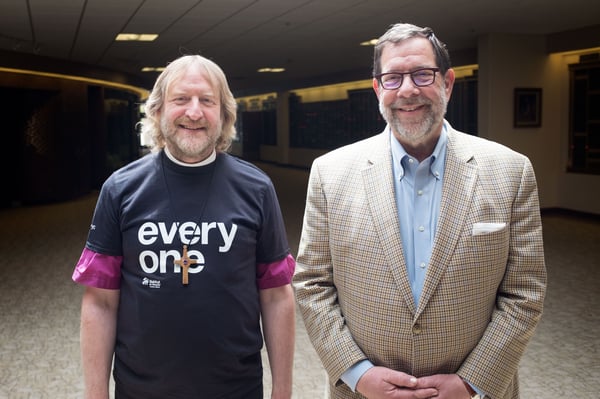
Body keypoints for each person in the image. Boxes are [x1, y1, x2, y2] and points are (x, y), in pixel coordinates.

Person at [293, 23, 546, 399]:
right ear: (378, 89)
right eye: (393, 77)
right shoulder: (330, 174)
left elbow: (525, 292)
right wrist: (357, 373)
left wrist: (471, 382)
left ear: (447, 83)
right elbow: (312, 283)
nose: (408, 89)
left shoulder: (510, 171)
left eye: (422, 74)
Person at [72, 54, 296, 399]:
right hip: (141, 390)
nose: (194, 112)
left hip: (236, 389)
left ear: (224, 115)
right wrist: (95, 395)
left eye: (207, 101)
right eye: (181, 99)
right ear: (158, 110)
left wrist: (283, 391)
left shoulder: (257, 188)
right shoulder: (120, 189)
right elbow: (100, 302)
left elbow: (277, 294)